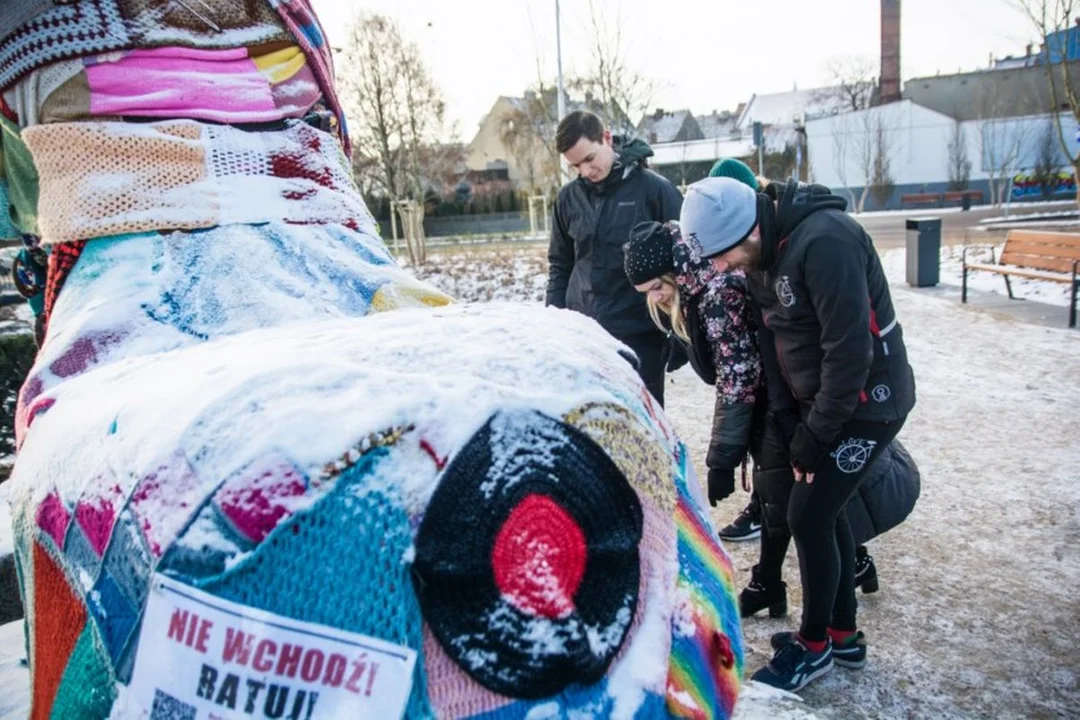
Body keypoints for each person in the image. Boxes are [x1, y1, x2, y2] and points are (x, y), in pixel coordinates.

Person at [679, 176, 916, 692]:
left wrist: (816, 433)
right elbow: (779, 345)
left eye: (720, 257)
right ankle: (844, 636)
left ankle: (815, 647)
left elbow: (851, 353)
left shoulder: (826, 241)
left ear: (745, 231)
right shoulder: (765, 256)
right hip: (825, 406)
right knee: (823, 511)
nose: (719, 270)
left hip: (870, 404)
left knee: (808, 514)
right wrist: (793, 423)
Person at [623, 219, 762, 517]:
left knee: (802, 514)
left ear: (674, 272)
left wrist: (721, 460)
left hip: (775, 404)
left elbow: (737, 377)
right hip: (766, 406)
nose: (654, 297)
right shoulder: (696, 285)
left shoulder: (718, 293)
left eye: (657, 287)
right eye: (646, 292)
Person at [547, 110, 683, 406]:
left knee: (642, 427)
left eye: (589, 159)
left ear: (606, 138)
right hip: (583, 335)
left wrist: (684, 332)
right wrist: (553, 324)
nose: (585, 171)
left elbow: (687, 262)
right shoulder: (567, 199)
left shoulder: (655, 190)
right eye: (575, 166)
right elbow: (560, 265)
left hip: (641, 335)